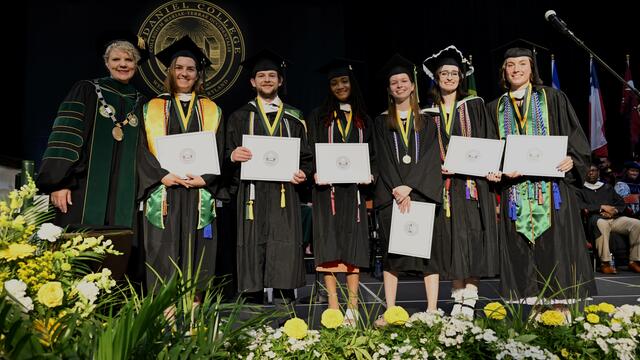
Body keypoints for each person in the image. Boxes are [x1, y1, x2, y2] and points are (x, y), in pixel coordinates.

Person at [487, 44, 596, 304]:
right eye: (511, 65)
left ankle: (561, 309)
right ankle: (528, 312)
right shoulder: (494, 107)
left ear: (532, 68)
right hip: (516, 193)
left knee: (557, 249)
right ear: (504, 71)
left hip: (553, 191)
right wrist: (498, 171)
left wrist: (574, 159)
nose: (516, 69)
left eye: (522, 64)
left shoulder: (553, 98)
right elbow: (492, 148)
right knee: (520, 250)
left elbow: (576, 137)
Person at [137, 36, 229, 289]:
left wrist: (207, 178)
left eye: (190, 69)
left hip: (198, 192)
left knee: (199, 255)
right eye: (179, 68)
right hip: (164, 192)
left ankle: (194, 320)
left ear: (198, 74)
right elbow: (141, 151)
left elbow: (221, 150)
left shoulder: (213, 109)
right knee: (162, 253)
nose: (184, 73)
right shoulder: (152, 107)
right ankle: (165, 317)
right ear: (170, 71)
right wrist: (160, 175)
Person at [226, 49, 313, 308]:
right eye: (261, 76)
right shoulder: (239, 117)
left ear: (280, 81)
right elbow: (224, 152)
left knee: (284, 243)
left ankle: (287, 306)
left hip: (284, 194)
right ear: (252, 82)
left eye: (272, 75)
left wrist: (303, 173)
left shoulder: (295, 118)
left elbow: (307, 157)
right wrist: (233, 155)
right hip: (251, 194)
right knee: (252, 243)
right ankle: (251, 301)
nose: (266, 80)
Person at [422, 45, 500, 318]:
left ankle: (471, 295)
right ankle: (457, 296)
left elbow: (489, 140)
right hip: (444, 188)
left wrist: (492, 169)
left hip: (472, 186)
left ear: (461, 77)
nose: (449, 77)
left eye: (454, 73)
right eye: (444, 73)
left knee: (473, 239)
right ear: (436, 77)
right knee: (453, 241)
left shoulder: (474, 105)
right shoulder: (427, 113)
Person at [37, 36, 147, 228]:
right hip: (80, 190)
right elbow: (64, 139)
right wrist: (59, 183)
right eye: (116, 59)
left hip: (124, 198)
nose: (122, 64)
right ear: (106, 63)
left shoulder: (141, 103)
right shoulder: (87, 90)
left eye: (129, 60)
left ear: (136, 64)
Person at [373, 54, 443, 326]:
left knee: (428, 254)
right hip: (392, 196)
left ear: (413, 85)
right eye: (394, 82)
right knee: (392, 255)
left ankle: (432, 310)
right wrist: (397, 189)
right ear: (389, 89)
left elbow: (430, 158)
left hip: (421, 194)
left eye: (404, 81)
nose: (399, 85)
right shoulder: (380, 123)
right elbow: (381, 159)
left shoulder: (427, 121)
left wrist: (410, 186)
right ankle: (391, 310)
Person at [307, 58, 375, 325]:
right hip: (328, 193)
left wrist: (371, 174)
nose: (339, 86)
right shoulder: (318, 117)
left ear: (352, 83)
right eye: (334, 83)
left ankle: (354, 308)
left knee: (354, 247)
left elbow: (374, 155)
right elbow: (309, 151)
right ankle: (334, 306)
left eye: (344, 81)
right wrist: (314, 172)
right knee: (329, 246)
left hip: (355, 194)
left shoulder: (363, 120)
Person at [576, 164, 640, 274]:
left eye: (594, 170)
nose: (591, 173)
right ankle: (605, 262)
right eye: (588, 171)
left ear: (598, 172)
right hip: (595, 219)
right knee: (602, 224)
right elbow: (580, 205)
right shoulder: (580, 189)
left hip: (614, 219)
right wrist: (601, 208)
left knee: (637, 224)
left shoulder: (607, 187)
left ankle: (634, 260)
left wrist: (614, 211)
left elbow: (620, 203)